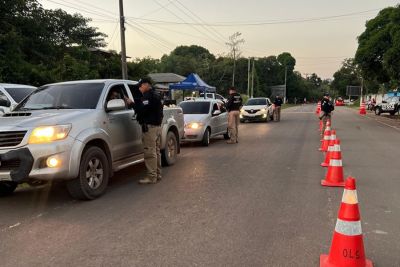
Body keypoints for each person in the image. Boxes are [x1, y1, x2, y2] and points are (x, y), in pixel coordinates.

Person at [126, 78, 163, 184]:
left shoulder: (148, 96)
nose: (139, 88)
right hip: (156, 127)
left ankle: (151, 177)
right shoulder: (156, 94)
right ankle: (157, 174)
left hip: (150, 128)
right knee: (156, 152)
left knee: (150, 153)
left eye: (140, 86)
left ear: (146, 85)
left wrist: (131, 103)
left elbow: (141, 110)